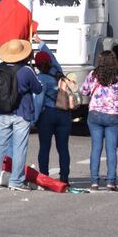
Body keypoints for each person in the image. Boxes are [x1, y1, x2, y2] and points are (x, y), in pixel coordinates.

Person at [0, 39, 43, 191]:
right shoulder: (26, 71)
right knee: (19, 147)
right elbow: (38, 89)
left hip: (3, 111)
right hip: (22, 113)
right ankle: (16, 181)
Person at [81, 50, 118, 191]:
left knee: (96, 148)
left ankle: (94, 181)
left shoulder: (93, 75)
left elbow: (84, 91)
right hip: (113, 116)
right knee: (111, 149)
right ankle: (111, 181)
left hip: (95, 114)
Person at [33, 49, 71, 186]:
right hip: (64, 114)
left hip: (47, 115)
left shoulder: (40, 79)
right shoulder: (58, 73)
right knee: (63, 148)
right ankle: (64, 179)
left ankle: (44, 177)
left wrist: (34, 119)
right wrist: (42, 43)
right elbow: (53, 58)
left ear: (37, 65)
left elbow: (38, 102)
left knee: (44, 147)